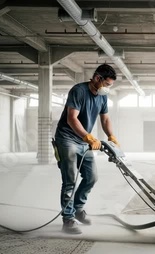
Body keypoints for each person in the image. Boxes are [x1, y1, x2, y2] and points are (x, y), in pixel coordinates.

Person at [54, 64, 119, 234]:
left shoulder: (102, 96)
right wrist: (88, 137)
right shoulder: (78, 91)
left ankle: (78, 209)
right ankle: (68, 220)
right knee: (69, 181)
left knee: (92, 177)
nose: (108, 88)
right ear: (98, 78)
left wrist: (111, 136)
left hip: (84, 142)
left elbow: (105, 120)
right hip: (67, 139)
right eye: (107, 84)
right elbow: (71, 119)